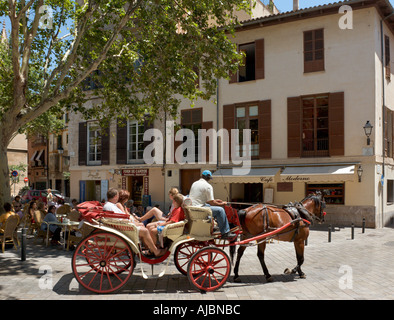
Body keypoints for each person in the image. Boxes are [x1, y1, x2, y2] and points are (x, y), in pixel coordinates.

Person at [103, 188, 165, 257]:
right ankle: (155, 251)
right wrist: (132, 222)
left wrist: (133, 221)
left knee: (144, 226)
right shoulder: (111, 206)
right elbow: (120, 219)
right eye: (117, 196)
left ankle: (151, 248)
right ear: (115, 196)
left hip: (123, 225)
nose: (118, 197)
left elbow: (121, 217)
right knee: (145, 231)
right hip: (124, 227)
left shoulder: (110, 205)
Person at [188, 170, 236, 240]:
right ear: (209, 178)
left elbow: (205, 199)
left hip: (193, 208)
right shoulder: (208, 186)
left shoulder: (195, 183)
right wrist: (223, 203)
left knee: (210, 207)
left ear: (202, 176)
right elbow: (212, 203)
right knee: (220, 210)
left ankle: (215, 226)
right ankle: (225, 232)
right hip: (201, 210)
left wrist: (215, 200)